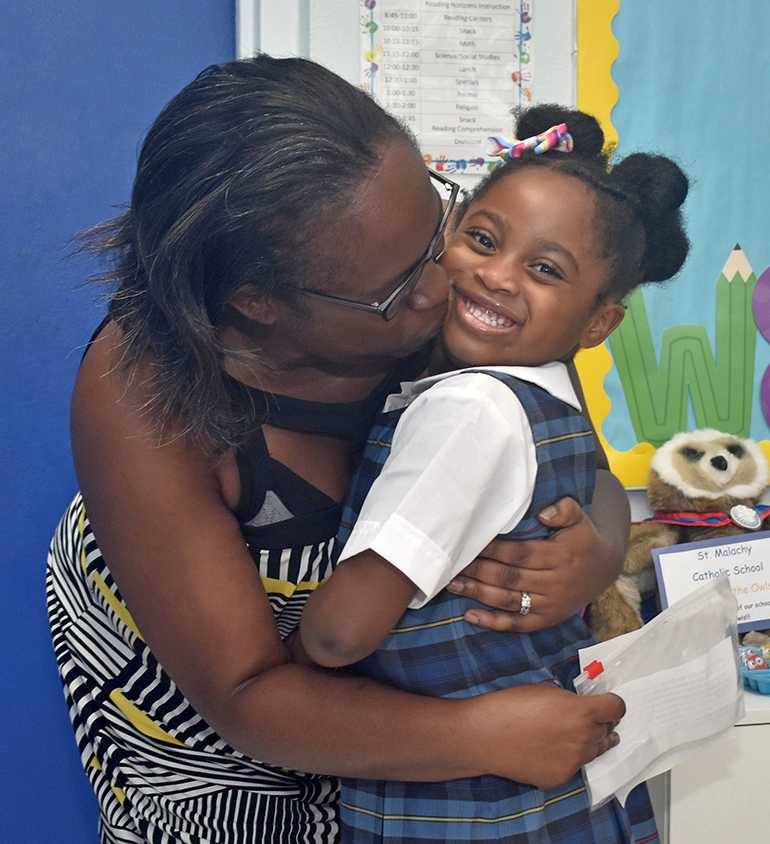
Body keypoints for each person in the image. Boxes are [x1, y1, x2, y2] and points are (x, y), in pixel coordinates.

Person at [47, 58, 632, 844]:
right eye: (398, 287)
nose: (444, 283)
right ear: (255, 303)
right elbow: (247, 693)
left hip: (407, 766)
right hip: (218, 762)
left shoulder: (456, 301)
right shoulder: (140, 389)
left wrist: (594, 553)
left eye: (441, 225)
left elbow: (584, 460)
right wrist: (479, 736)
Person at [299, 106, 689, 843]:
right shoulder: (530, 399)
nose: (496, 276)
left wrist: (284, 661)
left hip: (466, 809)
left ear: (597, 326)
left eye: (544, 270)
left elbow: (338, 634)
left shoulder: (472, 408)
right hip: (538, 798)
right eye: (482, 239)